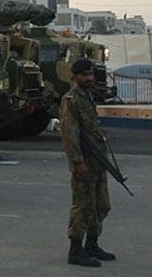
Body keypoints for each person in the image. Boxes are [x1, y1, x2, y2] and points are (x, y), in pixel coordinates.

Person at [59, 58, 116, 267]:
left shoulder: (88, 97)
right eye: (84, 75)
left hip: (98, 161)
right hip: (84, 162)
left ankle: (92, 244)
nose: (89, 78)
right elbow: (69, 134)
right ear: (74, 77)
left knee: (102, 205)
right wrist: (77, 162)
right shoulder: (71, 99)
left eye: (90, 74)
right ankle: (75, 250)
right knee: (82, 205)